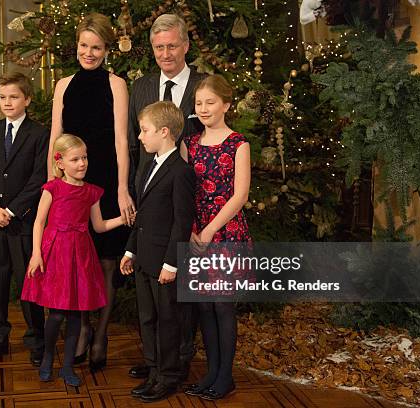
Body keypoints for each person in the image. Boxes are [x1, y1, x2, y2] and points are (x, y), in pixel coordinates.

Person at [47, 12, 134, 371]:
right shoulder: (63, 85)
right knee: (78, 262)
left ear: (106, 50)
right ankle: (82, 329)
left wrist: (124, 189)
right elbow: (55, 136)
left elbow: (121, 140)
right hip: (71, 182)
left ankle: (101, 336)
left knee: (107, 263)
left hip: (108, 181)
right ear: (76, 47)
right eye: (84, 45)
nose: (89, 52)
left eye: (96, 47)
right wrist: (52, 187)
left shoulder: (116, 85)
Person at [126, 12, 206, 382]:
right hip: (150, 192)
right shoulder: (141, 86)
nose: (166, 53)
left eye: (172, 45)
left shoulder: (203, 86)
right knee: (154, 296)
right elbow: (133, 141)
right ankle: (159, 359)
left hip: (193, 194)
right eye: (159, 47)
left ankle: (179, 358)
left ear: (186, 45)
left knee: (177, 291)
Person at [22, 134, 131, 386]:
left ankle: (68, 366)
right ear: (60, 162)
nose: (82, 163)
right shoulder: (52, 188)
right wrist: (36, 254)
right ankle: (49, 357)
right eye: (75, 159)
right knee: (57, 314)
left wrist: (123, 219)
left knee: (74, 316)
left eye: (84, 158)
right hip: (55, 253)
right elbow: (39, 222)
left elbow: (100, 226)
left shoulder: (91, 192)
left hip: (80, 255)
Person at [180, 75, 251, 401]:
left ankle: (226, 376)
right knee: (204, 307)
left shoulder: (239, 144)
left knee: (222, 305)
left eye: (210, 102)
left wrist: (209, 230)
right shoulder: (190, 145)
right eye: (199, 103)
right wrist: (192, 229)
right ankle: (210, 371)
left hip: (225, 234)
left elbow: (240, 196)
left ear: (226, 104)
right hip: (195, 233)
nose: (204, 108)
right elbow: (182, 192)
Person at [120, 101, 195, 402]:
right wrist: (130, 251)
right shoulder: (149, 165)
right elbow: (144, 217)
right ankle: (153, 367)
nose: (139, 136)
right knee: (147, 317)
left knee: (167, 320)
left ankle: (168, 376)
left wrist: (172, 264)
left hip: (164, 262)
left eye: (145, 131)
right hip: (144, 258)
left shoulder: (181, 172)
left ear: (165, 132)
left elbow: (181, 222)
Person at [0, 72, 48, 366]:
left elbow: (38, 178)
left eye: (13, 97)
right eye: (2, 97)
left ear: (27, 99)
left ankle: (36, 339)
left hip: (23, 224)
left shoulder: (39, 134)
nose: (7, 102)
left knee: (28, 284)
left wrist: (12, 211)